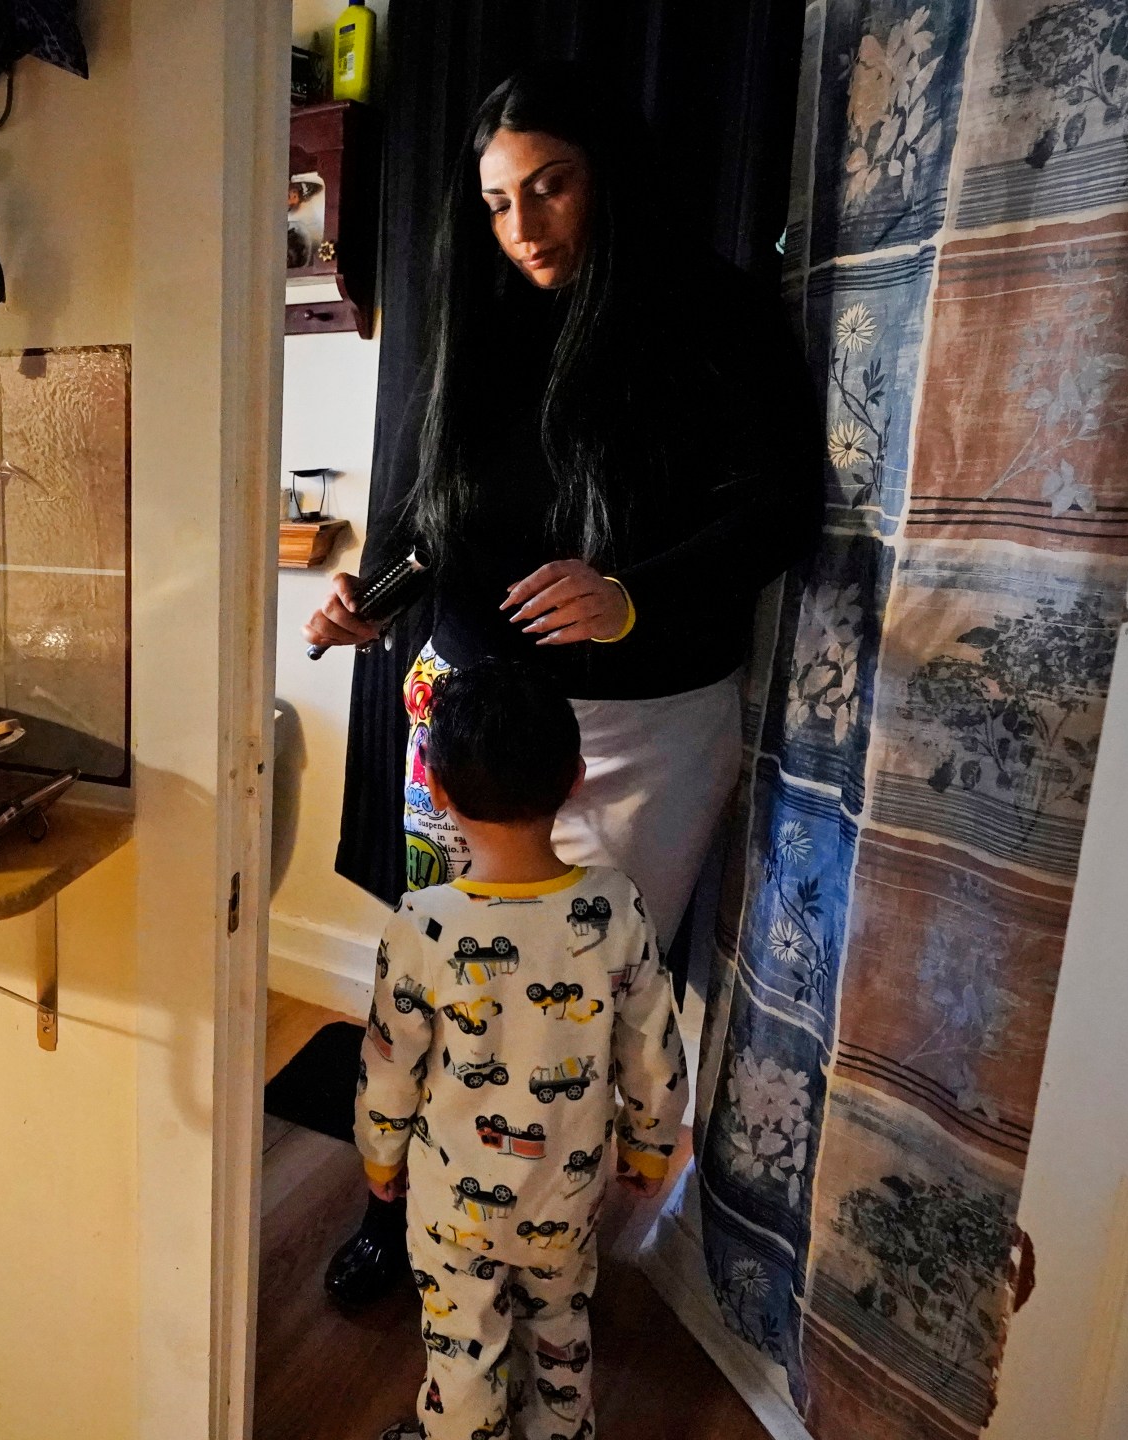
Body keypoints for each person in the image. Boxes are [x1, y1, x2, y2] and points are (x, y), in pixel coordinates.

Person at [308, 65, 818, 1308]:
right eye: (495, 202)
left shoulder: (717, 314)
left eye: (550, 187)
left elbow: (780, 510)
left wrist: (633, 595)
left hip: (643, 729)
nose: (523, 228)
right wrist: (371, 603)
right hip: (474, 720)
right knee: (436, 977)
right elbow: (433, 522)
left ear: (607, 177)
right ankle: (402, 1204)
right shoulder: (481, 319)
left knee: (577, 1003)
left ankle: (550, 1234)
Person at [358, 664, 685, 1440]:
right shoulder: (615, 906)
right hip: (564, 1194)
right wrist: (650, 1146)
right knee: (562, 1325)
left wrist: (380, 1154)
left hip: (450, 1201)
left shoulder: (422, 920)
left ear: (434, 790)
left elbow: (389, 1060)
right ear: (576, 777)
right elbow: (653, 1047)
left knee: (463, 1345)